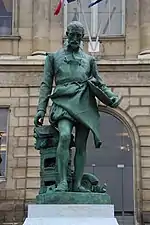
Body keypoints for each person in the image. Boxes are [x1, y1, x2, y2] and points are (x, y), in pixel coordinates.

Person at [34, 21, 120, 192]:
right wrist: (41, 109)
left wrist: (111, 96)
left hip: (84, 101)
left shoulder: (89, 60)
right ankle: (63, 182)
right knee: (65, 136)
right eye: (71, 34)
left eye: (78, 36)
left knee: (81, 145)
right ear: (66, 34)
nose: (74, 38)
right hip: (63, 100)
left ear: (82, 38)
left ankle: (78, 184)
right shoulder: (53, 57)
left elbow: (99, 84)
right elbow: (46, 84)